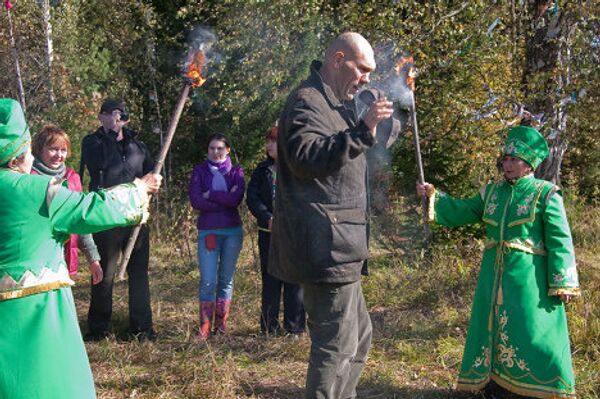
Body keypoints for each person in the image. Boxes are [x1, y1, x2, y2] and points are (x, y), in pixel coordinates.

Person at [0, 98, 161, 399]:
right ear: (18, 155)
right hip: (34, 316)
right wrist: (140, 189)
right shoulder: (35, 192)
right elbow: (90, 209)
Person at [269, 32, 395, 399]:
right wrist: (361, 130)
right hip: (324, 245)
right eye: (363, 69)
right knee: (334, 344)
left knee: (358, 338)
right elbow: (307, 157)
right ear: (338, 59)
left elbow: (360, 147)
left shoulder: (339, 103)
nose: (368, 78)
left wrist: (379, 124)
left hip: (341, 245)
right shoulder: (307, 102)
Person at [416, 126, 580, 399]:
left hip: (530, 280)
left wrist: (563, 281)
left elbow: (560, 241)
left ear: (529, 165)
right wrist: (434, 196)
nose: (507, 164)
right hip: (492, 277)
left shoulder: (546, 193)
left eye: (514, 160)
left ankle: (538, 387)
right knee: (491, 325)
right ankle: (496, 383)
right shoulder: (491, 192)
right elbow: (462, 211)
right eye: (505, 159)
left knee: (531, 330)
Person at [80, 99, 156, 340]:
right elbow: (96, 164)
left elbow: (151, 175)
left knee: (139, 274)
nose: (115, 119)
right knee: (105, 273)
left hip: (136, 219)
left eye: (119, 115)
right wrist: (110, 133)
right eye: (109, 115)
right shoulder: (93, 143)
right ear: (101, 117)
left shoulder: (138, 146)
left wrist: (154, 182)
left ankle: (141, 329)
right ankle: (99, 329)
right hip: (107, 218)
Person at [247, 125, 305, 336]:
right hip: (268, 234)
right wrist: (266, 216)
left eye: (273, 141)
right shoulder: (262, 170)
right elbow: (252, 198)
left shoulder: (298, 170)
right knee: (271, 280)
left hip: (294, 234)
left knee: (294, 280)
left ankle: (294, 328)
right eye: (268, 141)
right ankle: (269, 328)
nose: (269, 145)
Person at [188, 133, 245, 340]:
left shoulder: (236, 171)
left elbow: (236, 199)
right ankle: (204, 325)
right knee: (208, 280)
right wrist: (225, 198)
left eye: (220, 148)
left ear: (227, 150)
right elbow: (196, 201)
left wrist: (210, 194)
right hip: (209, 232)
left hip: (232, 232)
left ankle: (221, 324)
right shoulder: (199, 171)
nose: (216, 151)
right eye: (212, 148)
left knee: (226, 279)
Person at [31, 124, 103, 284]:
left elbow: (79, 220)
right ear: (39, 149)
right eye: (53, 149)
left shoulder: (72, 178)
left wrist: (93, 259)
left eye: (63, 150)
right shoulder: (28, 178)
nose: (59, 155)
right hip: (35, 261)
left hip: (64, 259)